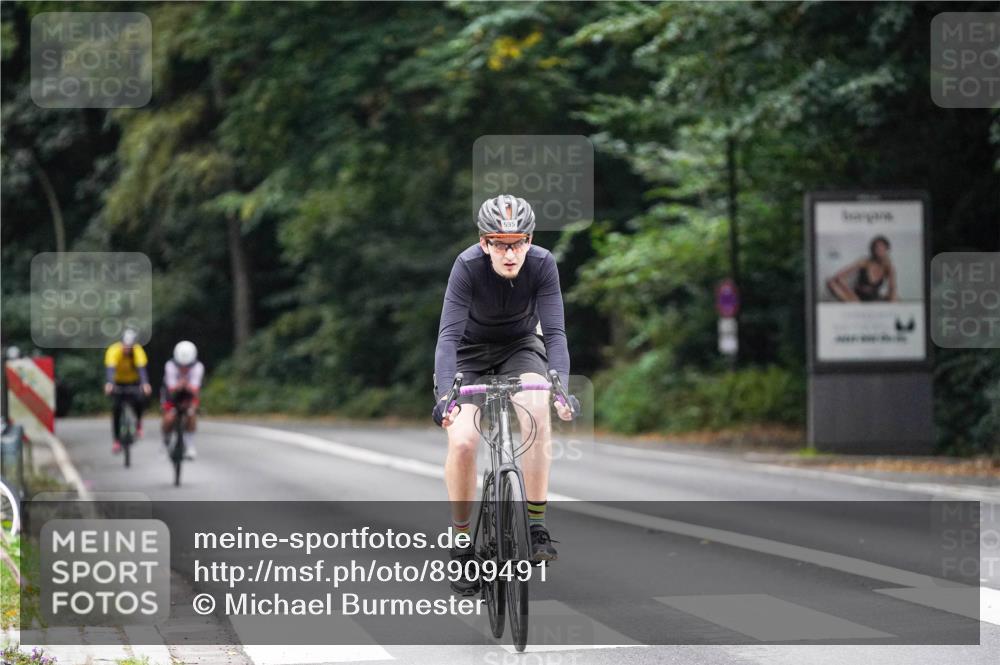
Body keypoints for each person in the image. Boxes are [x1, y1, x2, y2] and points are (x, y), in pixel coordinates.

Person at [433, 194, 577, 596]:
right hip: (468, 353)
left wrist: (561, 389)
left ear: (529, 241)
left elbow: (557, 332)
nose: (510, 252)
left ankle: (535, 526)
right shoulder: (467, 267)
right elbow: (447, 336)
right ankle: (462, 548)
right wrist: (446, 395)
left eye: (518, 242)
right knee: (462, 441)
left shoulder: (543, 265)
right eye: (500, 242)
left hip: (520, 347)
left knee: (536, 405)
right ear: (485, 243)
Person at [104, 329, 152, 453]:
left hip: (133, 382)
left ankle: (139, 423)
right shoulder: (113, 350)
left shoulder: (138, 351)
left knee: (139, 400)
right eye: (125, 346)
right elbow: (110, 369)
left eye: (129, 346)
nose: (127, 348)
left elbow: (141, 370)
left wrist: (145, 384)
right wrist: (110, 384)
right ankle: (116, 441)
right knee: (116, 409)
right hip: (118, 382)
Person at [161, 341, 204, 460]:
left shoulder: (198, 367)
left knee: (191, 413)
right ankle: (165, 442)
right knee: (169, 418)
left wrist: (185, 385)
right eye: (181, 365)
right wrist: (182, 385)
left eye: (187, 366)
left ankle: (190, 445)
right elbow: (172, 389)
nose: (184, 368)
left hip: (189, 395)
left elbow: (195, 390)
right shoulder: (170, 365)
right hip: (171, 395)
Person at [826, 235, 898, 302]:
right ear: (872, 250)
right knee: (830, 282)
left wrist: (892, 301)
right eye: (876, 248)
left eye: (882, 248)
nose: (879, 250)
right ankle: (855, 303)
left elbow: (892, 288)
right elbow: (838, 276)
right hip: (855, 297)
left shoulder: (889, 267)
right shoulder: (864, 262)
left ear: (887, 250)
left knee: (895, 298)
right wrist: (849, 291)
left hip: (873, 298)